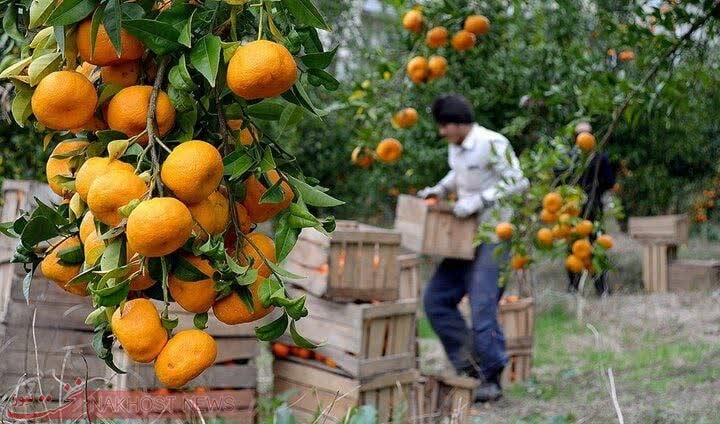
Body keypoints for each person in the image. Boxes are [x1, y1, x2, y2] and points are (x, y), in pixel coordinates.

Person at [418, 94, 528, 402]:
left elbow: (518, 182)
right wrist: (440, 189)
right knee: (436, 300)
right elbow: (460, 175)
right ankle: (469, 365)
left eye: (444, 127)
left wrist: (479, 201)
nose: (442, 133)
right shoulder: (456, 149)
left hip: (493, 237)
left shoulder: (493, 143)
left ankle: (491, 379)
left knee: (482, 306)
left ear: (457, 123)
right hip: (463, 238)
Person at [566, 122, 616, 295]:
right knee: (594, 246)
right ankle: (600, 288)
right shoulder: (598, 156)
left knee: (577, 247)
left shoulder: (569, 157)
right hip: (590, 207)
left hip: (574, 210)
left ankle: (575, 287)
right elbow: (609, 182)